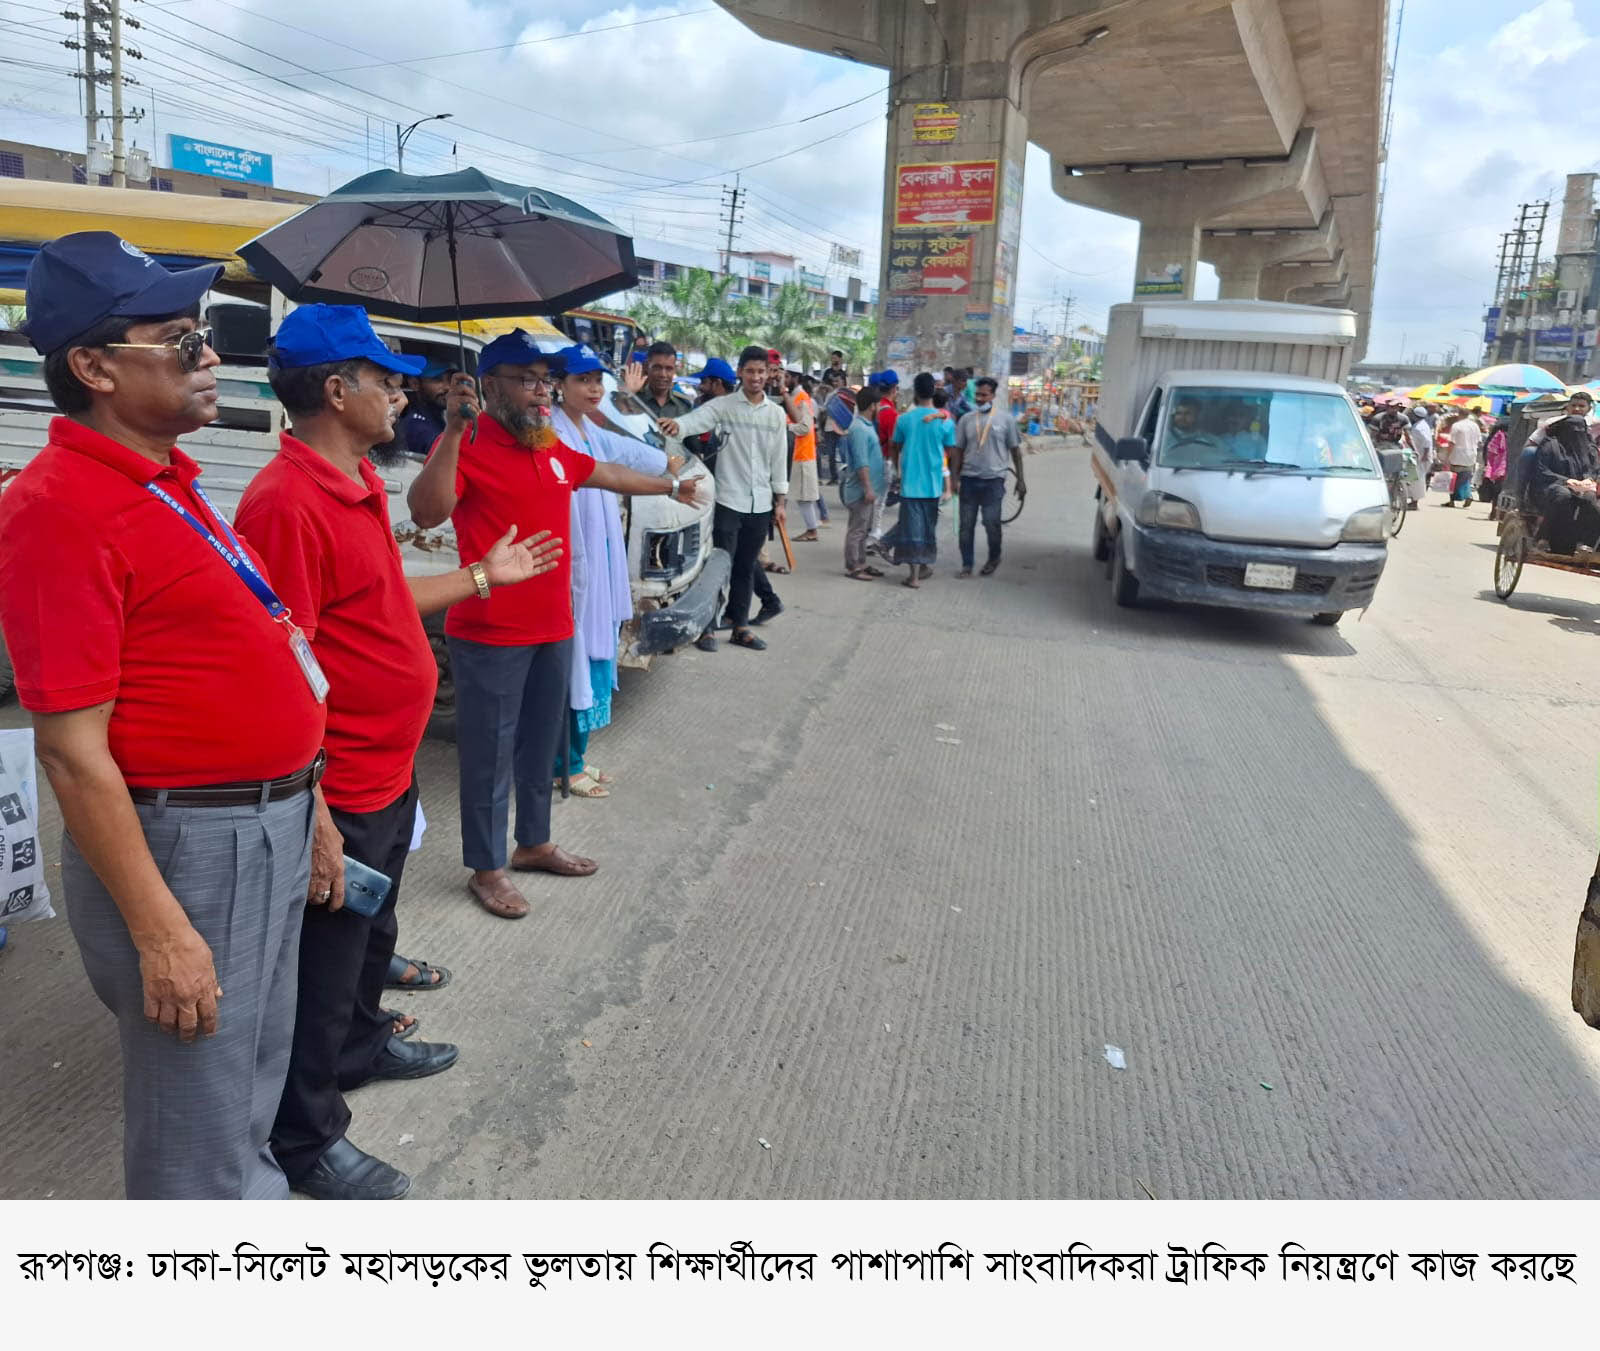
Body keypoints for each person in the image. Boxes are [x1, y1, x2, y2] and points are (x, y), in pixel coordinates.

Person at [0, 232, 327, 1198]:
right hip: (193, 842)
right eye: (182, 340)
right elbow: (68, 750)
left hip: (268, 816)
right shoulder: (59, 507)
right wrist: (162, 932)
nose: (213, 355)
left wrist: (313, 801)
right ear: (94, 367)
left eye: (207, 335)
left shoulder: (172, 482)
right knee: (197, 1118)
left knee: (251, 1081)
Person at [237, 305, 560, 1200]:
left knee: (370, 933)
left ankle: (361, 1042)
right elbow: (281, 662)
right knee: (323, 960)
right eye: (382, 378)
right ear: (334, 391)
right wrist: (316, 805)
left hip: (386, 759)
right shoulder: (286, 501)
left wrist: (487, 574)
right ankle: (306, 1136)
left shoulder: (353, 481)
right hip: (339, 773)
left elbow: (380, 607)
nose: (399, 390)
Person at [406, 331, 704, 919]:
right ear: (490, 387)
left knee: (541, 747)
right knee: (489, 756)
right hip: (490, 631)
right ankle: (487, 868)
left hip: (552, 626)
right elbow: (426, 511)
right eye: (528, 380)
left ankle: (534, 843)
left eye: (546, 380)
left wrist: (671, 485)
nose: (543, 391)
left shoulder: (548, 444)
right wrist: (454, 431)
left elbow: (609, 475)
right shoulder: (469, 443)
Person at [549, 346, 676, 795]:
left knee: (593, 651)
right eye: (583, 380)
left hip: (597, 558)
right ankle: (566, 765)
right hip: (575, 561)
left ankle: (576, 758)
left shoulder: (585, 427)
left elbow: (622, 448)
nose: (594, 388)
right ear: (558, 385)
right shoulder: (553, 430)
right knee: (576, 661)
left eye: (598, 380)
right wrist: (667, 477)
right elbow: (606, 469)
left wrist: (665, 463)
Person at [658, 345, 789, 652]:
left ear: (768, 375)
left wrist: (780, 501)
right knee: (718, 566)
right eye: (750, 371)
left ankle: (740, 627)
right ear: (740, 373)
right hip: (729, 499)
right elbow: (697, 419)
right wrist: (677, 426)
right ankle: (706, 627)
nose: (756, 377)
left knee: (745, 566)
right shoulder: (725, 406)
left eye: (761, 372)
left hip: (761, 502)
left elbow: (779, 459)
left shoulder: (776, 414)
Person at [951, 376, 1024, 577]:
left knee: (991, 524)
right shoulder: (966, 419)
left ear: (993, 395)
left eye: (984, 395)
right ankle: (967, 564)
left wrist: (1021, 480)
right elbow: (957, 450)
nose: (980, 398)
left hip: (994, 481)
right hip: (969, 480)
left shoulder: (1005, 420)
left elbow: (1016, 451)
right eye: (977, 395)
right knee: (966, 526)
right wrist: (954, 479)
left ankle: (994, 557)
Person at [889, 372, 955, 589]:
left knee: (911, 530)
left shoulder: (904, 419)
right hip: (933, 484)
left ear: (915, 392)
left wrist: (897, 470)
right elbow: (950, 451)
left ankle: (915, 575)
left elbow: (895, 446)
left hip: (910, 483)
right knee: (927, 529)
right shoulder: (945, 422)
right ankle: (923, 567)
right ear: (934, 391)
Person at [1533, 407, 1600, 554]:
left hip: (1583, 487)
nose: (1576, 433)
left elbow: (1594, 470)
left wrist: (1588, 480)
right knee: (1563, 496)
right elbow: (1542, 470)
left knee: (1591, 500)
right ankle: (1545, 537)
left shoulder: (1590, 449)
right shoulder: (1550, 445)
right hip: (1551, 486)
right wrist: (1567, 481)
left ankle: (1586, 543)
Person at [840, 383, 886, 580]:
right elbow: (861, 462)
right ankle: (853, 566)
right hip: (860, 490)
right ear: (872, 406)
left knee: (863, 529)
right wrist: (867, 488)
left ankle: (861, 562)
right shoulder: (859, 429)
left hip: (869, 488)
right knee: (857, 530)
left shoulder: (865, 426)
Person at [786, 367, 822, 542]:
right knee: (803, 496)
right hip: (799, 453)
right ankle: (812, 528)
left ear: (795, 378)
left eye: (787, 376)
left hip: (803, 453)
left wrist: (786, 428)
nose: (784, 379)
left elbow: (805, 428)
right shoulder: (796, 397)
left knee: (804, 497)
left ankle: (812, 530)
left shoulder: (802, 399)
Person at [396, 357, 457, 460]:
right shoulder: (419, 428)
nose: (448, 387)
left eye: (450, 380)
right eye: (437, 379)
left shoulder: (435, 416)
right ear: (414, 383)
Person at [869, 369, 901, 547]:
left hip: (871, 459)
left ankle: (869, 534)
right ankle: (873, 536)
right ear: (894, 388)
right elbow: (893, 443)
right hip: (884, 460)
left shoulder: (874, 407)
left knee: (871, 501)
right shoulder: (890, 413)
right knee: (879, 503)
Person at [1444, 410, 1481, 507]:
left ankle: (1452, 501)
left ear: (1459, 415)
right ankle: (1468, 495)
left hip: (1458, 455)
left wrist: (1447, 457)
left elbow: (1452, 442)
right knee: (1465, 478)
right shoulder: (1475, 426)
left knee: (1453, 479)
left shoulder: (1457, 425)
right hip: (1471, 455)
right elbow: (1479, 441)